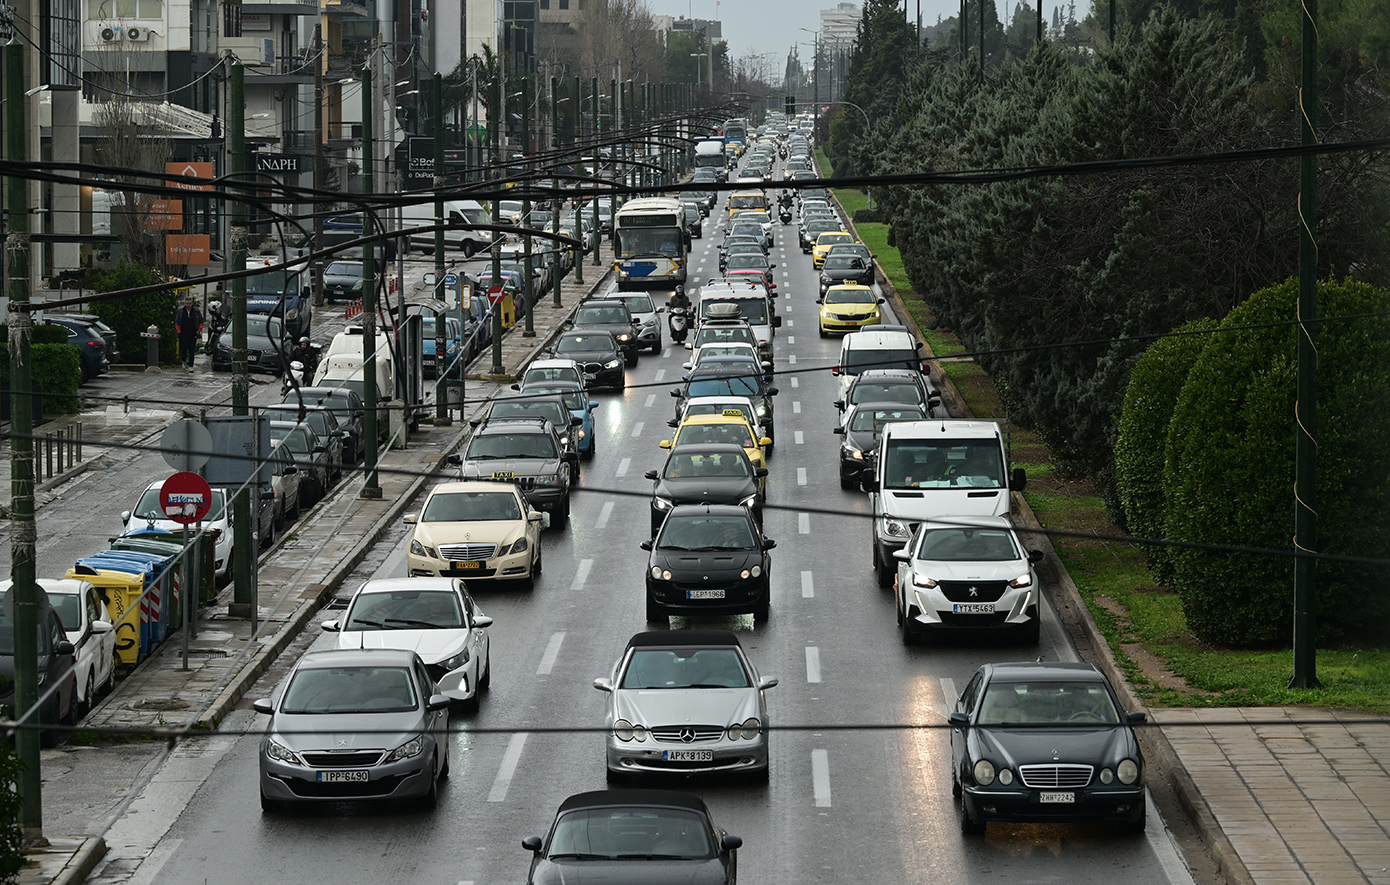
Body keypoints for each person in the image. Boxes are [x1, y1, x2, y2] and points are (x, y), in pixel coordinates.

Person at [174, 296, 203, 370]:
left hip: (193, 333)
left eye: (189, 303)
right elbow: (177, 322)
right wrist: (179, 331)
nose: (188, 305)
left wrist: (198, 331)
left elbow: (201, 321)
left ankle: (191, 365)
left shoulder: (196, 311)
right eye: (187, 303)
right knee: (183, 349)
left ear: (192, 303)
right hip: (183, 333)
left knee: (192, 350)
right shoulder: (181, 311)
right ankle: (183, 360)